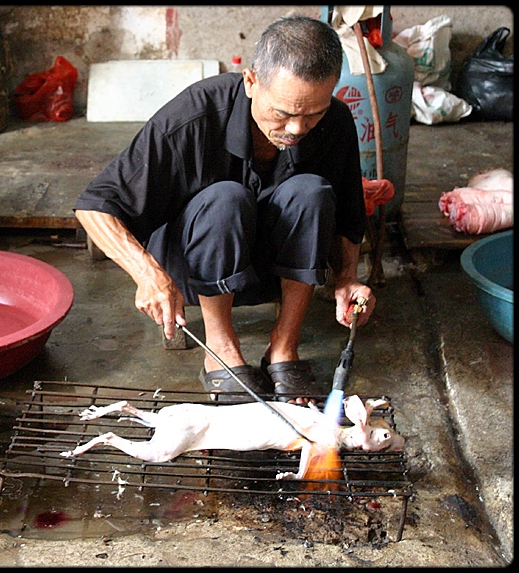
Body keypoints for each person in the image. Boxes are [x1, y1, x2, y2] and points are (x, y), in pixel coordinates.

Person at [74, 15, 375, 405]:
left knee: (312, 192)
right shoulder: (195, 114)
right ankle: (221, 349)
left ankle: (283, 347)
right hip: (193, 272)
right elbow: (94, 205)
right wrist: (148, 274)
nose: (298, 128)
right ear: (251, 81)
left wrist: (347, 278)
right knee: (226, 199)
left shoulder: (333, 121)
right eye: (283, 113)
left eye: (312, 114)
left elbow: (349, 215)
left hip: (277, 269)